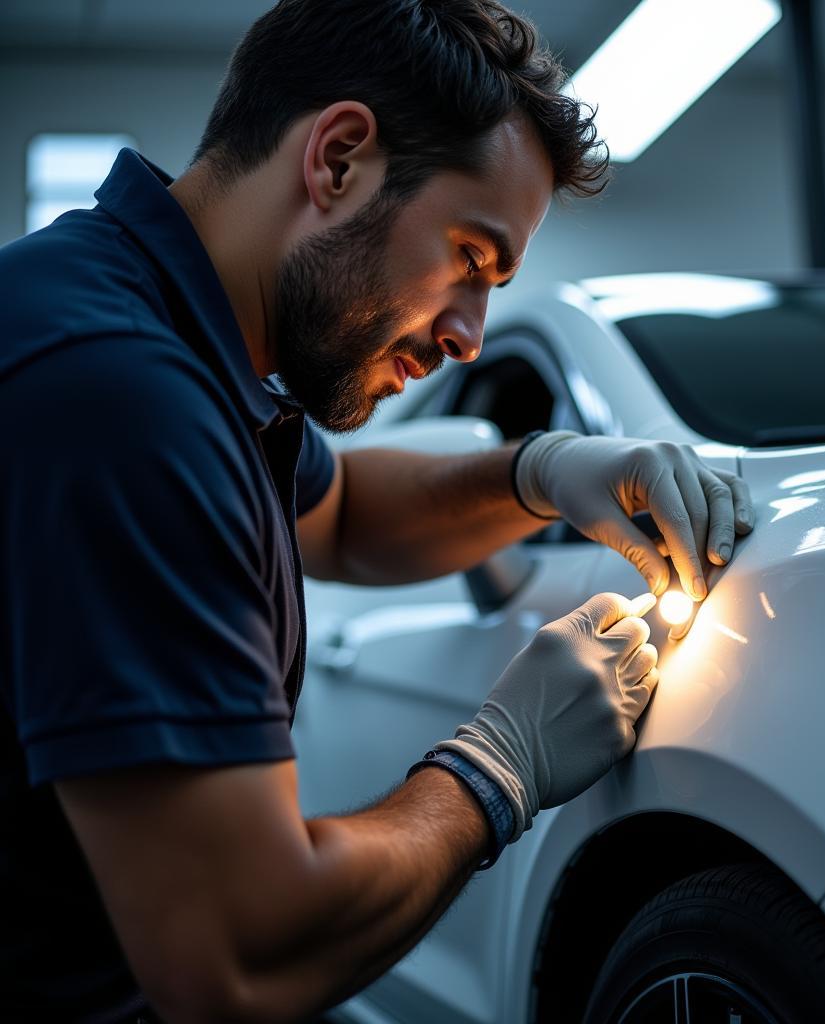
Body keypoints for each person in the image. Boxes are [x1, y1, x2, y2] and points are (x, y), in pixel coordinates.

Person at [0, 1, 754, 1020]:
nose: (470, 338)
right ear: (340, 158)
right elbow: (235, 956)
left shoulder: (173, 338)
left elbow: (342, 512)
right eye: (471, 260)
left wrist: (539, 470)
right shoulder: (122, 397)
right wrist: (498, 767)